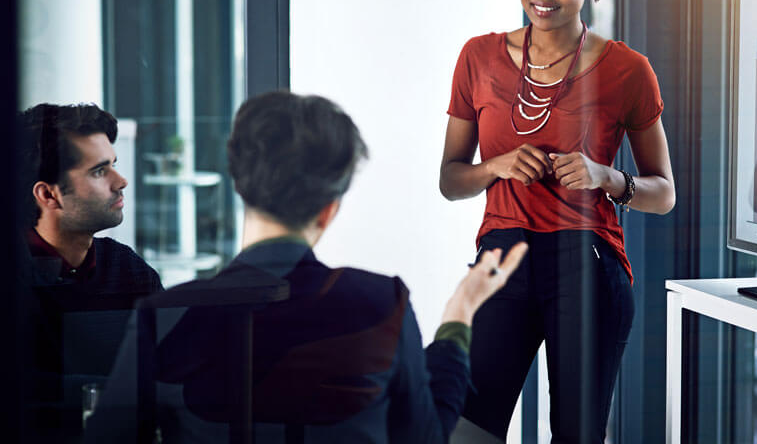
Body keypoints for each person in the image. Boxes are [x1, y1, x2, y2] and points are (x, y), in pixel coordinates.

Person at [86, 90, 527, 443]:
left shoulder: (165, 315)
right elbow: (425, 435)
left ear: (239, 185)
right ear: (329, 210)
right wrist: (458, 320)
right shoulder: (379, 303)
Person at [439, 0, 675, 442]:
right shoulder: (477, 57)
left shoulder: (628, 70)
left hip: (588, 263)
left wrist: (607, 177)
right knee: (466, 432)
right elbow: (450, 180)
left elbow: (664, 192)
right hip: (501, 261)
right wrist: (494, 167)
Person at [16, 103, 163, 441]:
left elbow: (172, 366)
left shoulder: (130, 271)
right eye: (99, 171)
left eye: (114, 165)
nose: (121, 181)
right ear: (48, 194)